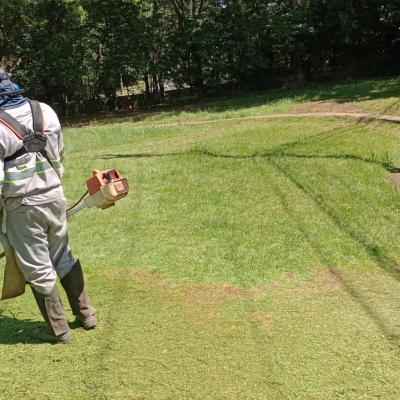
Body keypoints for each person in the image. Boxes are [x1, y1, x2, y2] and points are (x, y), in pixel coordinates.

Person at [0, 68, 96, 344]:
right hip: (55, 195)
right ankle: (86, 313)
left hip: (22, 205)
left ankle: (57, 329)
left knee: (37, 266)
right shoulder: (45, 111)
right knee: (62, 254)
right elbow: (60, 152)